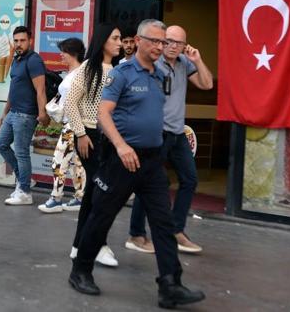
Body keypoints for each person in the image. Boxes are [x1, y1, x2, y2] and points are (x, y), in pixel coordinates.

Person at [69, 19, 205, 309]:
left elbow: (194, 89)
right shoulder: (122, 74)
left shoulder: (160, 75)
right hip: (122, 160)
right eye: (155, 41)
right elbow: (104, 114)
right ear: (139, 41)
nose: (160, 47)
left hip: (153, 161)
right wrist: (120, 145)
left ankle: (170, 284)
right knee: (101, 215)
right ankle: (80, 270)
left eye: (164, 42)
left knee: (163, 222)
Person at [126, 25, 214, 254]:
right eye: (170, 41)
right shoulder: (153, 65)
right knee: (148, 184)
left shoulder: (185, 64)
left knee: (190, 179)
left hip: (177, 133)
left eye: (180, 43)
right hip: (156, 133)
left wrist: (198, 59)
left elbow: (207, 84)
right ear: (162, 41)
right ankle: (136, 235)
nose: (174, 46)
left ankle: (176, 230)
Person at [66, 23, 122, 267]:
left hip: (107, 138)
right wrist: (80, 134)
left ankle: (80, 245)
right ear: (103, 41)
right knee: (100, 191)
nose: (120, 43)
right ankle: (97, 244)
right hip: (89, 135)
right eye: (116, 38)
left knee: (94, 192)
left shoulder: (118, 69)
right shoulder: (89, 68)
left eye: (120, 38)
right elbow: (70, 103)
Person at [0, 25, 50, 206]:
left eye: (22, 40)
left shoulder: (34, 61)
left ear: (30, 41)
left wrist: (42, 113)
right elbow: (14, 88)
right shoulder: (17, 59)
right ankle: (24, 179)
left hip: (26, 115)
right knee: (0, 144)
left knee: (21, 153)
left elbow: (40, 90)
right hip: (13, 113)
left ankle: (25, 192)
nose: (19, 44)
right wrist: (5, 111)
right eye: (16, 40)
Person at [38, 37, 86, 213]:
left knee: (59, 161)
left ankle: (56, 198)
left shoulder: (78, 74)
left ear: (72, 53)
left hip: (72, 124)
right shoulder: (76, 73)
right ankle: (80, 197)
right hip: (74, 124)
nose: (61, 55)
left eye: (63, 51)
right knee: (76, 163)